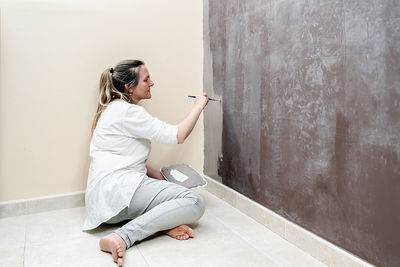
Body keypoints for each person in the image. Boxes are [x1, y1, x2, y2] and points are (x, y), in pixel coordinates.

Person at [83, 59, 209, 266]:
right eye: (146, 79)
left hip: (105, 200)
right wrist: (199, 105)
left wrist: (162, 180)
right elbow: (178, 135)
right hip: (120, 194)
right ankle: (122, 236)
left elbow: (125, 159)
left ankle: (162, 223)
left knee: (169, 199)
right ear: (129, 87)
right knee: (194, 202)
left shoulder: (113, 110)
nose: (152, 83)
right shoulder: (128, 112)